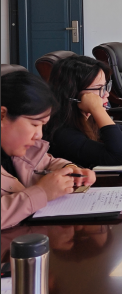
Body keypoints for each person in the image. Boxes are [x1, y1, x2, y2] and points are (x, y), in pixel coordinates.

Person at [1, 71, 95, 230]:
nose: (39, 135)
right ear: (2, 115)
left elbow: (46, 163)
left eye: (42, 125)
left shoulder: (19, 147)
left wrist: (69, 170)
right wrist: (41, 192)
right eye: (34, 124)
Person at [45, 56, 122, 169]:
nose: (106, 94)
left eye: (105, 86)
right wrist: (97, 109)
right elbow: (120, 155)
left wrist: (113, 144)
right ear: (73, 93)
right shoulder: (62, 133)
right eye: (99, 88)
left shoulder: (86, 118)